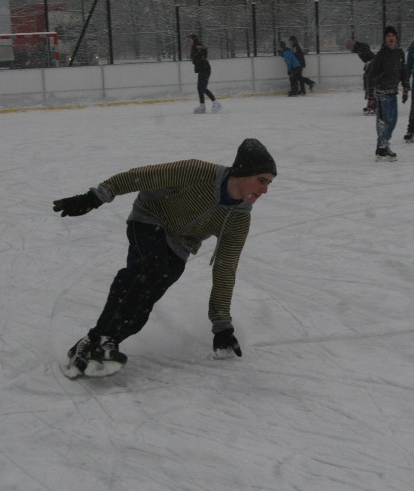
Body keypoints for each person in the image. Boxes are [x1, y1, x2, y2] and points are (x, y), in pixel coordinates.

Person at [51, 139, 277, 377]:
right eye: (261, 181)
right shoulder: (197, 172)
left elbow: (225, 268)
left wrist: (221, 326)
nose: (265, 190)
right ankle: (103, 340)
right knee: (151, 270)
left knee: (149, 294)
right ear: (243, 173)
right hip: (149, 219)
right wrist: (95, 197)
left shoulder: (239, 219)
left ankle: (98, 342)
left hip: (180, 245)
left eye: (269, 184)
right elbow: (140, 176)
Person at [368, 25, 409, 161]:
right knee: (383, 121)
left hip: (393, 92)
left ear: (396, 37)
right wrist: (373, 91)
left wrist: (406, 88)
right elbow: (372, 74)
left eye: (393, 35)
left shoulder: (400, 53)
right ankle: (381, 147)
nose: (391, 38)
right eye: (388, 36)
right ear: (385, 39)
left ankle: (383, 145)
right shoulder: (382, 54)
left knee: (393, 120)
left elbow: (403, 72)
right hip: (382, 92)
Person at [188, 34, 221, 114]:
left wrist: (197, 55)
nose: (190, 42)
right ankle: (202, 106)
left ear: (194, 39)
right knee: (200, 88)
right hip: (202, 69)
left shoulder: (198, 46)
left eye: (190, 40)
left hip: (205, 69)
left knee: (202, 88)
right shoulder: (195, 47)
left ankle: (216, 103)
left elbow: (202, 55)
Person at [345, 38, 377, 114]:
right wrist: (367, 63)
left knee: (370, 84)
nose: (350, 50)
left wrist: (370, 62)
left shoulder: (360, 47)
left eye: (349, 48)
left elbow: (369, 54)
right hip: (372, 65)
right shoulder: (358, 48)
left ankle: (373, 105)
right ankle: (372, 104)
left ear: (352, 45)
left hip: (374, 65)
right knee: (368, 83)